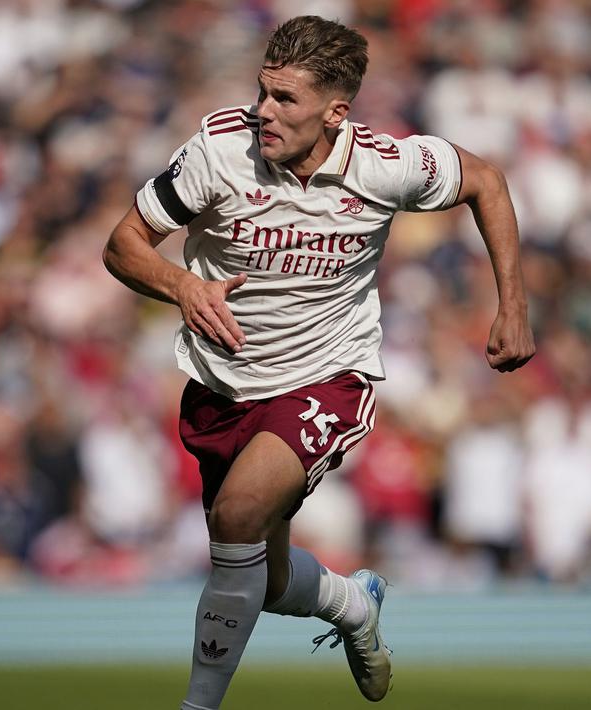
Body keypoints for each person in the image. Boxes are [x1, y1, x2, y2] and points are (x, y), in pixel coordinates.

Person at [102, 15, 535, 709]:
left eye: (284, 100)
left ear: (336, 112)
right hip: (223, 385)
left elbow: (485, 181)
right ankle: (352, 604)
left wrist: (511, 305)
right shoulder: (217, 151)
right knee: (263, 583)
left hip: (327, 378)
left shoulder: (386, 165)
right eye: (262, 92)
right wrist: (183, 285)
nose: (261, 112)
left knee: (237, 516)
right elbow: (123, 243)